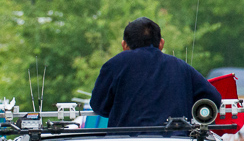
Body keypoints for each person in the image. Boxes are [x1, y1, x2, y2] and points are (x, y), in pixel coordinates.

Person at [89, 17, 221, 128]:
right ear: (161, 44)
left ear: (124, 45)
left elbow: (98, 105)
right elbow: (213, 97)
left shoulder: (114, 64)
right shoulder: (181, 67)